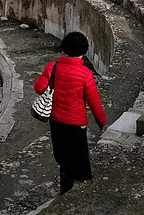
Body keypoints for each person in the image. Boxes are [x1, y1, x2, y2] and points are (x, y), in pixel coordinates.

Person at [34, 32, 106, 196]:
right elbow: (94, 102)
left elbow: (38, 88)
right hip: (76, 123)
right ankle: (75, 185)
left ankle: (64, 186)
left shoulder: (53, 67)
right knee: (78, 154)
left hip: (56, 120)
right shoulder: (85, 73)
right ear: (84, 51)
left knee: (62, 154)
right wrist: (101, 121)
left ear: (64, 48)